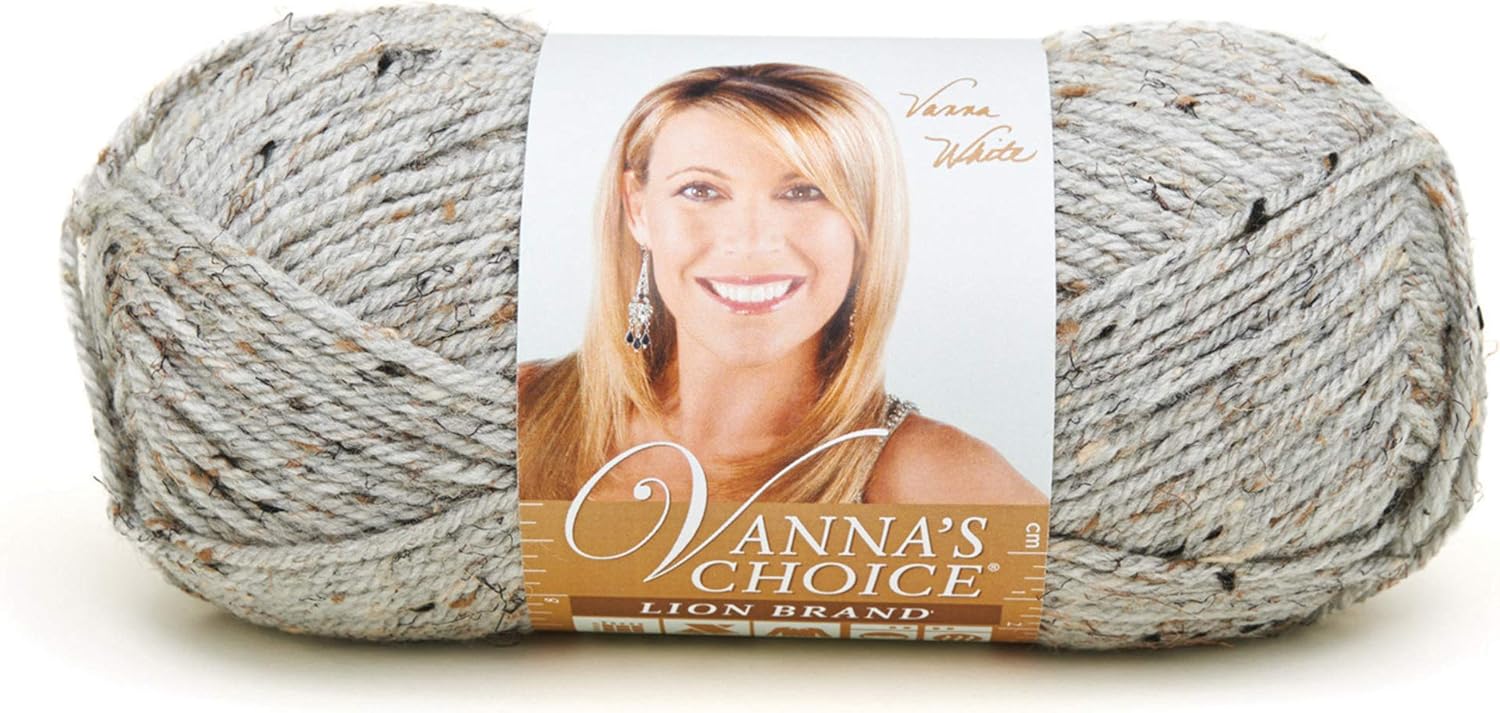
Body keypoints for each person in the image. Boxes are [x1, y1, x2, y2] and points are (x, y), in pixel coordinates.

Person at [517, 62, 1045, 507]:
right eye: (700, 190)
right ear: (638, 210)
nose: (751, 242)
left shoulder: (939, 478)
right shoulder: (521, 407)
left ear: (866, 224)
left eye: (803, 192)